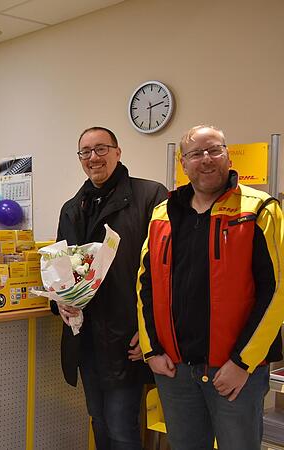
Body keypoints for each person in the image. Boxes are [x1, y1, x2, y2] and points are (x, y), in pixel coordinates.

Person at [137, 125, 284, 449]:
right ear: (183, 162)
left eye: (214, 150)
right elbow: (145, 285)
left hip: (234, 374)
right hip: (175, 371)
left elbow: (276, 291)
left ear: (228, 155)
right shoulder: (164, 213)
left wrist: (242, 362)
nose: (206, 159)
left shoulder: (259, 210)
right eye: (196, 153)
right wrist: (152, 352)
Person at [55, 126, 167, 450]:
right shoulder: (72, 207)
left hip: (127, 339)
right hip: (86, 339)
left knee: (122, 428)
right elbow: (61, 268)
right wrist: (60, 302)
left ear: (118, 152)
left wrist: (149, 331)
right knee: (99, 423)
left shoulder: (151, 196)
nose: (93, 158)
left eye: (101, 149)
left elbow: (166, 272)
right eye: (85, 152)